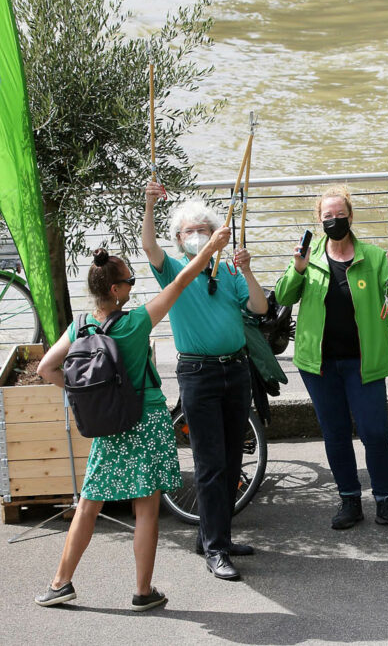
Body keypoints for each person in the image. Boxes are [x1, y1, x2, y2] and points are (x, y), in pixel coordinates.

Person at [34, 226, 231, 610]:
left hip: (109, 427)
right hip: (147, 418)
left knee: (89, 504)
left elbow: (45, 368)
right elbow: (182, 280)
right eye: (129, 281)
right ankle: (142, 591)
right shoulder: (136, 322)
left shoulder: (79, 327)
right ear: (114, 290)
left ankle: (60, 583)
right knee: (146, 508)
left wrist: (83, 394)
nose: (132, 287)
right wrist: (211, 246)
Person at [142, 181, 269, 582]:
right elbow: (147, 246)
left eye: (202, 229)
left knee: (232, 461)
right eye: (188, 232)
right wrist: (149, 204)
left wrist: (246, 269)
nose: (195, 236)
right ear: (180, 241)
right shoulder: (175, 272)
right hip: (198, 373)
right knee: (210, 463)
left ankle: (215, 537)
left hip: (236, 369)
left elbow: (260, 307)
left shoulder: (229, 271)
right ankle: (215, 549)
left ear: (216, 232)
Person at [276, 185, 388, 531]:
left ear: (351, 217)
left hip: (364, 361)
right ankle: (349, 500)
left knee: (375, 432)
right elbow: (282, 296)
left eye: (340, 215)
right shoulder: (309, 258)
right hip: (320, 364)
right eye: (328, 217)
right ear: (319, 220)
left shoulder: (372, 256)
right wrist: (297, 268)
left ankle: (386, 502)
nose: (335, 221)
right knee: (336, 433)